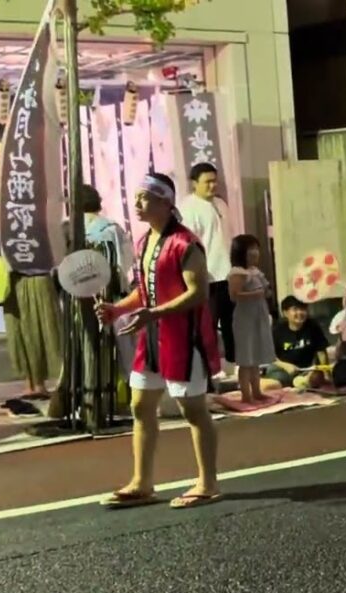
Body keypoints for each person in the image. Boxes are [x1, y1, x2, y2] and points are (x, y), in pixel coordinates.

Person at [96, 173, 223, 510]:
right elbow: (145, 290)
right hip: (152, 336)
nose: (137, 204)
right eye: (137, 197)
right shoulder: (143, 242)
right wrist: (117, 309)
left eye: (145, 198)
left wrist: (153, 314)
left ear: (166, 202)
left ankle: (207, 483)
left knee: (193, 411)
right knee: (140, 406)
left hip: (183, 336)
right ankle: (142, 482)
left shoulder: (185, 243)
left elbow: (198, 294)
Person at [179, 162, 235, 368]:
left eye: (215, 181)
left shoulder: (221, 204)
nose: (213, 186)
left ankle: (235, 366)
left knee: (232, 324)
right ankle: (207, 370)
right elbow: (188, 246)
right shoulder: (188, 208)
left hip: (228, 274)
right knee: (207, 326)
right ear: (194, 183)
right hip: (207, 276)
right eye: (207, 182)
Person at [227, 234, 275, 403]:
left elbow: (265, 290)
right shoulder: (238, 272)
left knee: (255, 358)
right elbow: (234, 295)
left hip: (258, 316)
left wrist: (266, 293)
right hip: (245, 319)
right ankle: (246, 395)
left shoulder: (256, 272)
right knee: (246, 358)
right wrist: (257, 294)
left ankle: (257, 391)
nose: (255, 253)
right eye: (250, 250)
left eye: (256, 249)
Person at [264, 296, 330, 388]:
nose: (300, 313)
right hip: (283, 369)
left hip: (306, 370)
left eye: (302, 309)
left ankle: (301, 383)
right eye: (295, 309)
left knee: (316, 378)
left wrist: (326, 372)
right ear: (285, 313)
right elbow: (270, 355)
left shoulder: (313, 326)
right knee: (274, 383)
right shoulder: (278, 330)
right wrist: (286, 366)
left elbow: (321, 352)